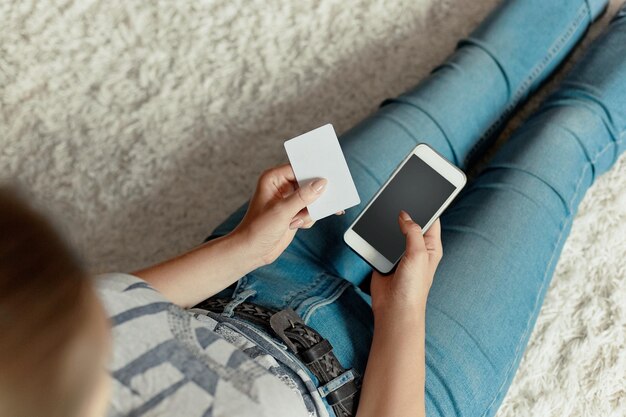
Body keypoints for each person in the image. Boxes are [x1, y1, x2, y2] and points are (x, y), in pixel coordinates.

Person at [1, 0, 624, 416]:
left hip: (253, 276)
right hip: (392, 384)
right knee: (563, 142)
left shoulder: (27, 337)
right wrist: (403, 313)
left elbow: (122, 300)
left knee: (468, 79)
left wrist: (245, 244)